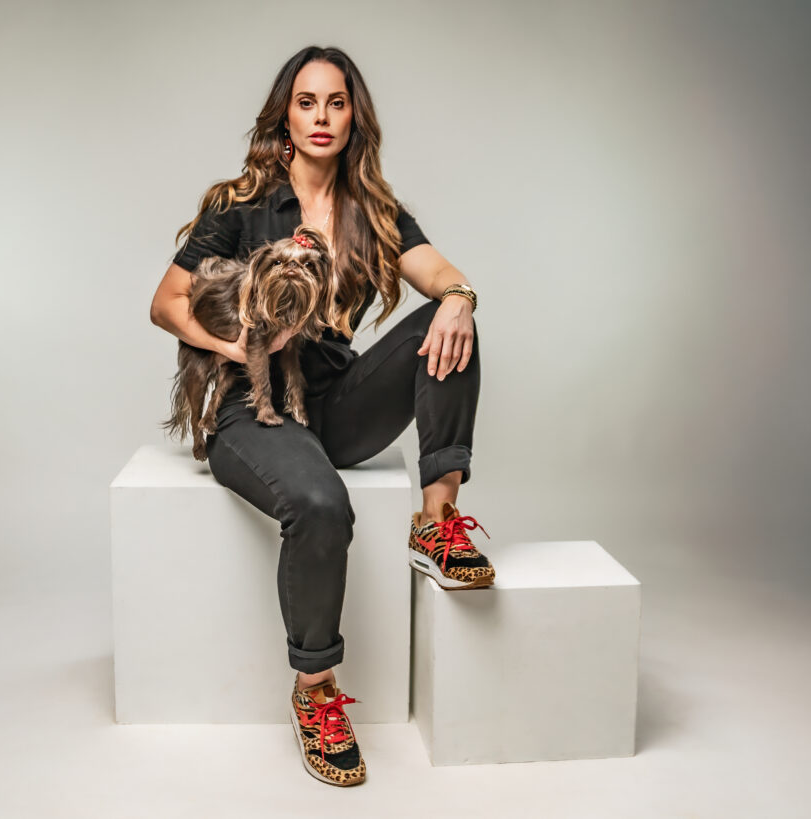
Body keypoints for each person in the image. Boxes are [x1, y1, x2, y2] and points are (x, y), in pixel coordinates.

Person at [149, 45, 493, 787]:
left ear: (353, 117)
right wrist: (236, 346)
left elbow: (436, 271)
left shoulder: (374, 210)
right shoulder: (241, 203)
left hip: (336, 396)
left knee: (450, 320)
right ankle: (316, 691)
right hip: (253, 404)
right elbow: (165, 303)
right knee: (319, 505)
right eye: (306, 103)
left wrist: (461, 295)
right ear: (286, 116)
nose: (321, 117)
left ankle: (436, 520)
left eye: (336, 103)